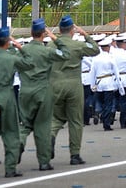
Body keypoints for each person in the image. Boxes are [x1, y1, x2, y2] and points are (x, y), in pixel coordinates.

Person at [0, 27, 34, 178]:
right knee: (11, 134)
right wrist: (20, 48)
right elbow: (29, 63)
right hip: (7, 96)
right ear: (7, 41)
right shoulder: (11, 58)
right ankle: (10, 169)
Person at [17, 18, 70, 171]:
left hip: (25, 91)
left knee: (24, 124)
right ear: (43, 34)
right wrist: (55, 38)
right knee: (42, 127)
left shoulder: (23, 50)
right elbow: (66, 53)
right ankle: (44, 162)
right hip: (42, 91)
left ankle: (17, 146)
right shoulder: (47, 51)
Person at [49, 15, 99, 165]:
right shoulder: (77, 45)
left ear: (59, 30)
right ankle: (74, 155)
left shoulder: (51, 45)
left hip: (55, 85)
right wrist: (86, 35)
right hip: (73, 85)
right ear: (72, 30)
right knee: (75, 120)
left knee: (56, 118)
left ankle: (50, 136)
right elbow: (95, 50)